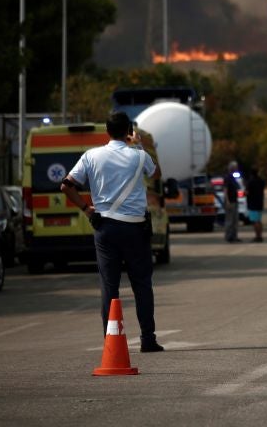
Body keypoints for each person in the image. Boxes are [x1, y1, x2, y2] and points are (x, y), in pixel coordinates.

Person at [60, 111, 164, 353]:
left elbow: (66, 185)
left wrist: (87, 209)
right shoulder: (139, 156)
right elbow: (156, 174)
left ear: (106, 131)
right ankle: (148, 339)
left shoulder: (91, 156)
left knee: (109, 286)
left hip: (105, 227)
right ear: (129, 130)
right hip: (136, 228)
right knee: (142, 285)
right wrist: (138, 144)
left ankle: (111, 342)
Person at [223, 161, 242, 243]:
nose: (237, 168)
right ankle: (229, 236)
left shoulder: (233, 177)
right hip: (230, 201)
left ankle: (234, 236)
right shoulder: (227, 178)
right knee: (229, 220)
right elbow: (225, 190)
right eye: (235, 167)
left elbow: (238, 188)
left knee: (235, 220)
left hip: (235, 201)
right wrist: (227, 201)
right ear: (232, 168)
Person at [246, 169, 265, 242]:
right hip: (260, 202)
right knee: (259, 220)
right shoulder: (261, 181)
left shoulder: (250, 182)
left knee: (255, 221)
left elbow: (247, 192)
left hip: (252, 204)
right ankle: (260, 235)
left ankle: (257, 236)